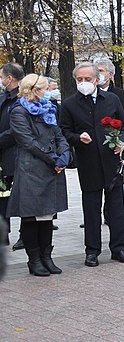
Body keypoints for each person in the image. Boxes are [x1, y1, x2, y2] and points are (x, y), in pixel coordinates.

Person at [60, 62, 124, 267]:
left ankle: (119, 249)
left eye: (87, 79)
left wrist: (122, 142)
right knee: (91, 209)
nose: (83, 83)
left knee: (116, 208)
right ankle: (92, 251)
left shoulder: (111, 99)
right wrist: (76, 137)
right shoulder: (69, 104)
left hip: (112, 161)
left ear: (97, 80)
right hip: (88, 162)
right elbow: (64, 130)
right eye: (79, 80)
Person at [8, 75, 69, 276]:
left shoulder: (48, 108)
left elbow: (59, 135)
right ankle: (34, 260)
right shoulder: (18, 111)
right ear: (33, 90)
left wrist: (64, 155)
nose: (48, 91)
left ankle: (46, 257)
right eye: (45, 88)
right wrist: (53, 159)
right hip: (32, 169)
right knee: (30, 216)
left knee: (47, 215)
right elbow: (28, 141)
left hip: (51, 169)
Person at [0, 62, 24, 249]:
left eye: (2, 77)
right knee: (2, 195)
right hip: (3, 154)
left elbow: (17, 130)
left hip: (18, 154)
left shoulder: (22, 98)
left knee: (23, 196)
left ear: (9, 78)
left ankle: (25, 235)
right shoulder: (3, 97)